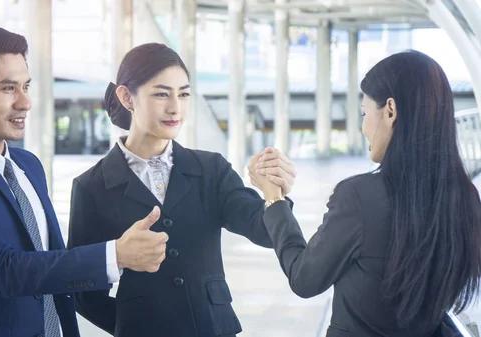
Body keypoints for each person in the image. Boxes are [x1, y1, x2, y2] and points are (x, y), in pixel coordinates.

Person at [0, 25, 169, 337]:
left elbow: (50, 267)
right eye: (8, 89)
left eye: (26, 87)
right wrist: (115, 255)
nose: (25, 103)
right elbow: (2, 271)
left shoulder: (28, 165)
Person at [66, 42, 296, 337]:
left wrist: (274, 194)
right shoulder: (91, 187)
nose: (175, 107)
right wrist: (133, 325)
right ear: (126, 97)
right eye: (161, 94)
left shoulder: (211, 169)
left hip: (214, 329)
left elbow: (264, 232)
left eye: (184, 94)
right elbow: (84, 289)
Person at [250, 50, 481, 336]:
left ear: (390, 111)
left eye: (364, 112)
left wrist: (274, 199)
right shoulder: (466, 199)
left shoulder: (359, 197)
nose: (363, 127)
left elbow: (305, 279)